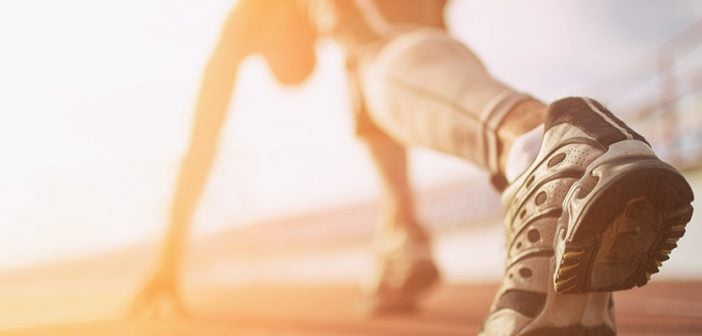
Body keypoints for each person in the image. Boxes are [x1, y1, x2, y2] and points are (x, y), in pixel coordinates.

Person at [131, 1, 694, 334]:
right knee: (376, 71)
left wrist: (167, 259)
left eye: (280, 59)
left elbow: (200, 145)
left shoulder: (249, 20)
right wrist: (402, 220)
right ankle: (423, 234)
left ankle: (548, 147)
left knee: (378, 57)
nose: (292, 64)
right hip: (410, 38)